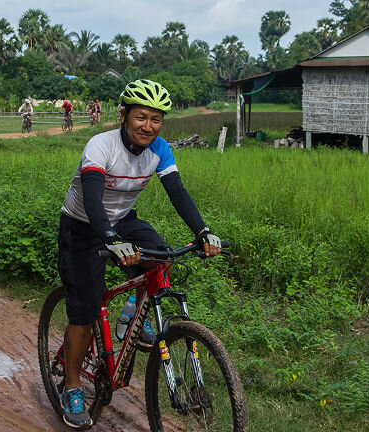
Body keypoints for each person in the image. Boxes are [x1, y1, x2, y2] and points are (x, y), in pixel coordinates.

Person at [56, 79, 222, 429]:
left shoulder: (160, 149)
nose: (148, 126)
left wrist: (202, 231)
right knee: (85, 311)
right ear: (124, 115)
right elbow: (91, 199)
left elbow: (177, 191)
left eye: (156, 119)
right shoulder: (101, 146)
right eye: (141, 117)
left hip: (121, 221)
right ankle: (72, 387)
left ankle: (131, 312)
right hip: (82, 226)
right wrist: (111, 240)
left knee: (161, 257)